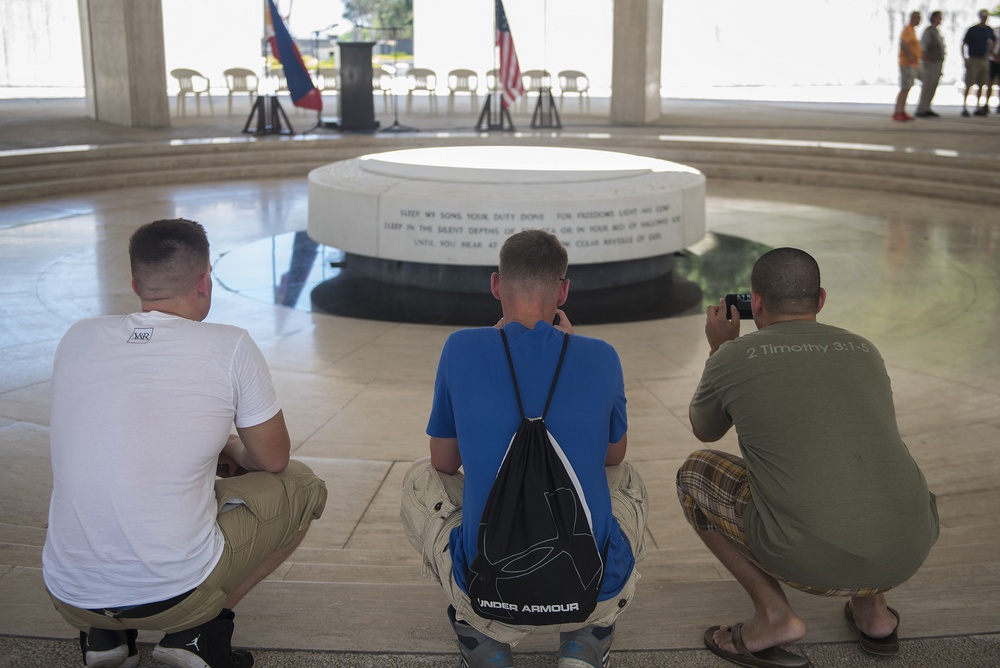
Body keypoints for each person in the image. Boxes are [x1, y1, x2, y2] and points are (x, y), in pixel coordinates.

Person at [42, 218, 328, 668]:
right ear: (205, 281)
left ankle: (104, 638)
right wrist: (235, 449)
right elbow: (273, 459)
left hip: (69, 593)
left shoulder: (78, 337)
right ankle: (194, 635)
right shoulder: (229, 346)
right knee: (302, 485)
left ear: (136, 283)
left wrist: (219, 448)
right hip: (172, 594)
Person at [677, 248, 939, 668]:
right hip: (909, 547)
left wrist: (719, 349)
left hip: (806, 559)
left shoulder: (732, 356)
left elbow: (704, 429)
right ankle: (874, 613)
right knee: (857, 459)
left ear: (755, 303)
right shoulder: (863, 349)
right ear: (820, 300)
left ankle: (774, 616)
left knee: (694, 472)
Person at [400, 229, 648, 668]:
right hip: (586, 586)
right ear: (564, 290)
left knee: (420, 476)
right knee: (627, 479)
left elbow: (444, 463)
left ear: (496, 285)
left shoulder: (460, 348)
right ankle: (587, 636)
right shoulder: (602, 356)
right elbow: (614, 456)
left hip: (490, 582)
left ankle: (485, 635)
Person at [961, 9, 996, 116]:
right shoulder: (972, 30)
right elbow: (963, 44)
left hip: (984, 59)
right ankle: (964, 106)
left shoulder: (988, 30)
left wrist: (990, 51)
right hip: (973, 58)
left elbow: (994, 40)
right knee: (969, 83)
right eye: (982, 16)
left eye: (986, 16)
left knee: (982, 84)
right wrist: (965, 58)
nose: (984, 18)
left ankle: (978, 106)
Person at [915, 10, 945, 117]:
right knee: (926, 86)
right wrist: (926, 61)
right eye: (939, 17)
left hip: (937, 63)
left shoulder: (936, 32)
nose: (941, 20)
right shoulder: (928, 32)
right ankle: (921, 108)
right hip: (929, 63)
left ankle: (927, 107)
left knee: (933, 86)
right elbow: (922, 48)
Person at [893, 11, 922, 121]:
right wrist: (909, 56)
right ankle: (898, 111)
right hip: (907, 63)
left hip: (913, 64)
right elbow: (903, 43)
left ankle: (902, 110)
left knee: (908, 87)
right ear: (913, 18)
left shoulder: (912, 31)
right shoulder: (907, 30)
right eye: (918, 18)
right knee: (904, 87)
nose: (919, 20)